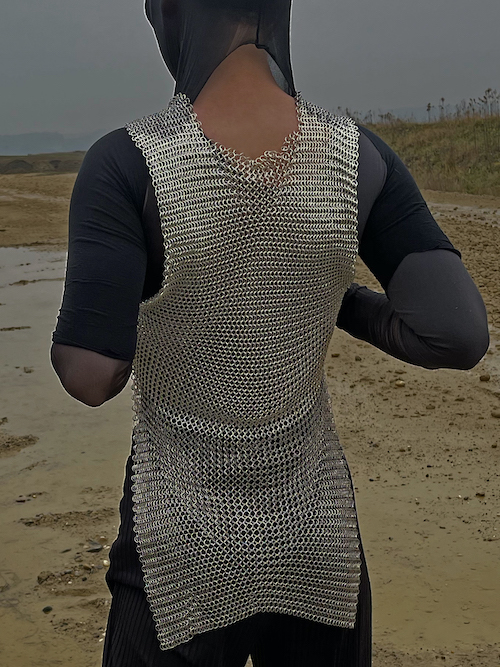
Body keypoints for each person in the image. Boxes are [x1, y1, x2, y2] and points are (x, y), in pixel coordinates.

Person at [51, 1, 490, 665]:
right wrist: (339, 300)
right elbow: (456, 332)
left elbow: (91, 373)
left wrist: (159, 299)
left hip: (181, 547)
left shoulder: (128, 163)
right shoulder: (356, 155)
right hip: (316, 531)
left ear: (172, 17)